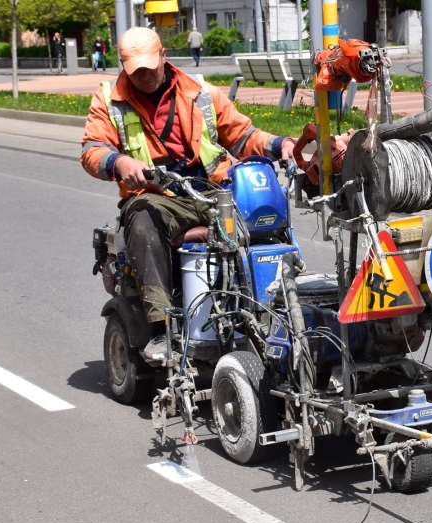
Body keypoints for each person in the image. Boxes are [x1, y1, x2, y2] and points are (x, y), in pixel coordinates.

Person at [79, 27, 296, 362]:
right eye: (137, 70)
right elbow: (92, 150)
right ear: (124, 65)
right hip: (157, 195)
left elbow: (243, 136)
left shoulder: (200, 92)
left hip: (212, 190)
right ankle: (160, 326)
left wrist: (281, 145)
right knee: (143, 222)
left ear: (164, 56)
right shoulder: (108, 99)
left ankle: (274, 314)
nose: (147, 75)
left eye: (152, 66)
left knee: (266, 219)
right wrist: (119, 162)